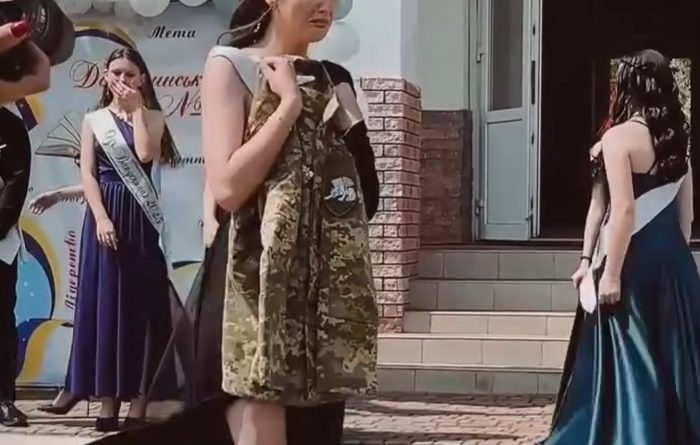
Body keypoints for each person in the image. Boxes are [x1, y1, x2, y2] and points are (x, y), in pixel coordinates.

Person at [89, 1, 380, 444]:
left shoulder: (332, 76)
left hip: (317, 296)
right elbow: (227, 187)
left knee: (315, 431)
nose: (325, 6)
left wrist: (352, 125)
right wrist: (288, 106)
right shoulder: (231, 64)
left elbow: (363, 201)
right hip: (250, 283)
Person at [540, 49, 700, 445]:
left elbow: (624, 210)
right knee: (675, 358)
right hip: (674, 263)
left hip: (631, 263)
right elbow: (687, 218)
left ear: (627, 86)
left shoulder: (617, 138)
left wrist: (610, 273)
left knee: (634, 360)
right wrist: (673, 260)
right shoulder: (678, 139)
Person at [36, 47, 182, 432]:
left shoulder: (153, 116)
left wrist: (136, 108)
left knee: (139, 309)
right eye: (116, 72)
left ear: (142, 79)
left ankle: (139, 399)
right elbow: (89, 174)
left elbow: (145, 154)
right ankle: (107, 399)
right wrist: (100, 216)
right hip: (103, 219)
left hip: (139, 220)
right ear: (105, 75)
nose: (122, 79)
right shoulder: (94, 120)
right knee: (105, 308)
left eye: (130, 74)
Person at [0, 19, 50, 428]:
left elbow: (14, 187)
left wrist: (25, 33)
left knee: (1, 321)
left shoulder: (11, 127)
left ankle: (3, 399)